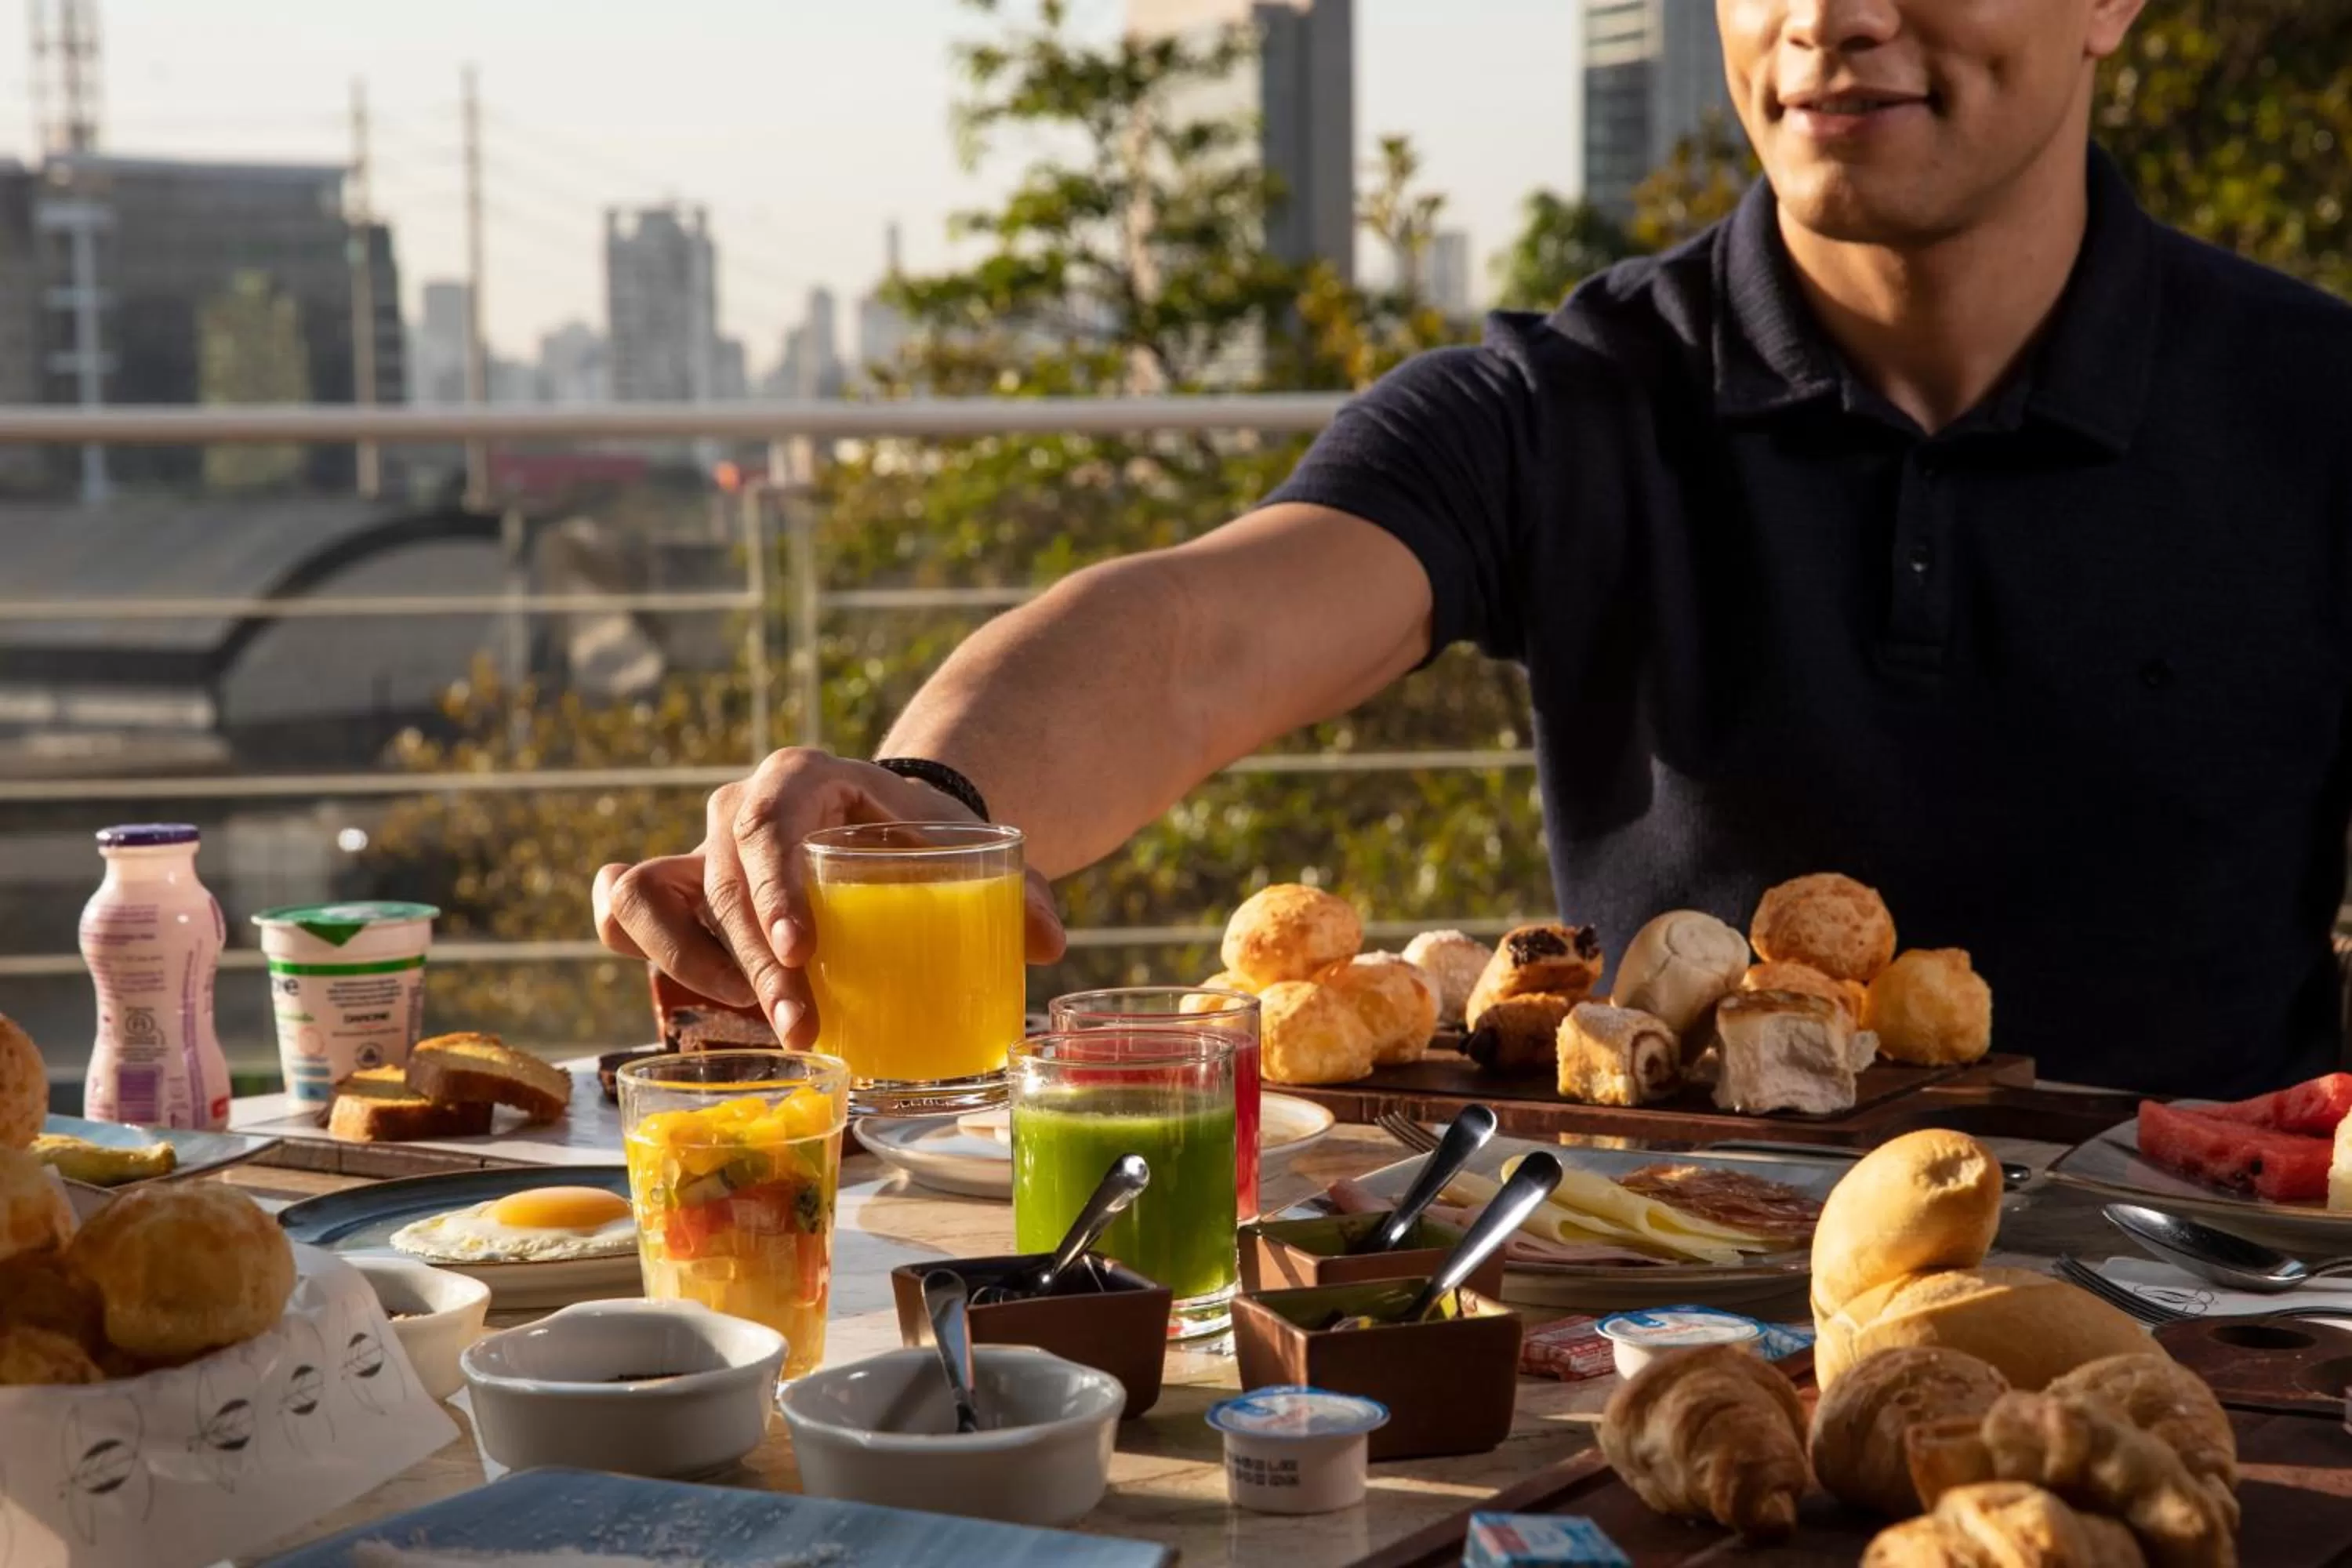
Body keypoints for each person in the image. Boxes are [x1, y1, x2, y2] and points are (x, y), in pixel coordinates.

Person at [597, 0, 2352, 1098]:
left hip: (2232, 1314)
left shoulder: (2316, 411)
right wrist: (926, 809)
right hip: (1661, 1303)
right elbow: (1200, 633)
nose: (1832, 18)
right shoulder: (1567, 400)